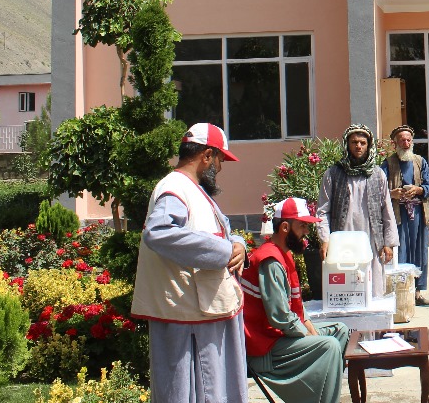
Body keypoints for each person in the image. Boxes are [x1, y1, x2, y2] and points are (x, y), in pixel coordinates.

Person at [131, 123, 248, 403]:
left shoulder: (192, 190)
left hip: (200, 312)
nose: (220, 168)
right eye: (219, 160)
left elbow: (223, 230)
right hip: (187, 317)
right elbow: (159, 232)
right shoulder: (175, 188)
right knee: (198, 392)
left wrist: (239, 245)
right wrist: (223, 251)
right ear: (207, 155)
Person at [242, 197, 350, 403]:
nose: (306, 232)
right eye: (302, 226)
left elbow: (296, 307)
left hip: (278, 337)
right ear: (285, 227)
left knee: (340, 330)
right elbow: (281, 317)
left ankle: (319, 397)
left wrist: (310, 329)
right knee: (329, 345)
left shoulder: (284, 254)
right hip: (265, 348)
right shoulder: (271, 261)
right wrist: (310, 336)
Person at [316, 124, 399, 298]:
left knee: (372, 286)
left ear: (369, 145)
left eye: (362, 143)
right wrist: (325, 239)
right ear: (347, 145)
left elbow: (387, 210)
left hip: (371, 238)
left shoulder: (377, 174)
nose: (358, 146)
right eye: (354, 142)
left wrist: (388, 243)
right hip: (342, 238)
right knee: (344, 286)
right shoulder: (333, 173)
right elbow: (323, 210)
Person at [382, 125, 429, 306]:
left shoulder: (420, 161)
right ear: (395, 143)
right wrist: (392, 193)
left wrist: (418, 190)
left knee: (420, 252)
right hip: (398, 215)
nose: (405, 143)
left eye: (408, 140)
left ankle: (417, 293)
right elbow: (378, 189)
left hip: (418, 215)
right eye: (402, 140)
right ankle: (401, 294)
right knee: (401, 252)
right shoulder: (387, 163)